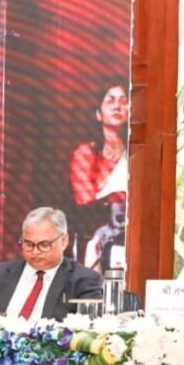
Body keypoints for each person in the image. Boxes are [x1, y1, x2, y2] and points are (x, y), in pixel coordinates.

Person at [0, 207, 102, 320]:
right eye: (28, 244)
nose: (35, 252)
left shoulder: (84, 280)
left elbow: (89, 327)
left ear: (63, 241)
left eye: (44, 245)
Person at [68, 83, 129, 271]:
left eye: (123, 101)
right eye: (110, 101)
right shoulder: (86, 154)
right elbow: (85, 201)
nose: (117, 106)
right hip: (96, 239)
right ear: (98, 114)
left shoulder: (137, 157)